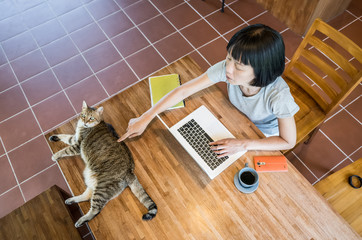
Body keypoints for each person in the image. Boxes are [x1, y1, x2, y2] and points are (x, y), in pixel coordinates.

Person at [118, 24, 299, 158]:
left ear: (262, 70)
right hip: (238, 118)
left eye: (239, 66)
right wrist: (146, 117)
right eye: (229, 58)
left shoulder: (279, 97)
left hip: (264, 133)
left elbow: (288, 141)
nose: (228, 68)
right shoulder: (227, 70)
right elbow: (183, 91)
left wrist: (243, 144)